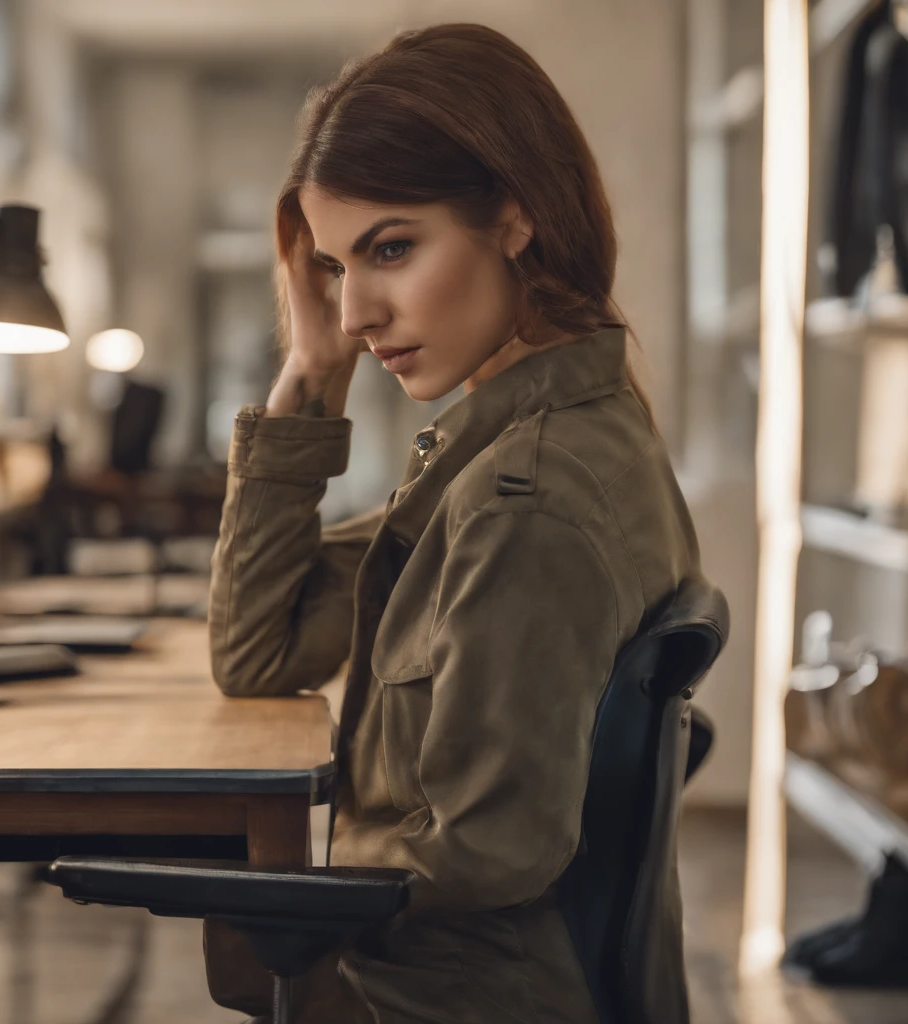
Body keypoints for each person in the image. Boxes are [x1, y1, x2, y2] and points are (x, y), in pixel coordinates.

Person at [207, 22, 702, 1024]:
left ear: (514, 216)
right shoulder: (526, 444)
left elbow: (484, 851)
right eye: (339, 267)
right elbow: (259, 650)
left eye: (390, 248)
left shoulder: (527, 498)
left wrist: (267, 900)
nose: (353, 312)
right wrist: (308, 376)